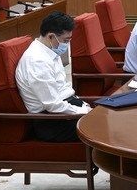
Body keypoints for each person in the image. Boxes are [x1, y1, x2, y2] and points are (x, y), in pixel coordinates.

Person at [15, 12, 91, 142]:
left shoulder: (49, 51)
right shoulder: (38, 61)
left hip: (65, 109)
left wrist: (82, 104)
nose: (67, 45)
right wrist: (82, 111)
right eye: (65, 40)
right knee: (101, 129)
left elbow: (62, 87)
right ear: (51, 36)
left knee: (106, 118)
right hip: (51, 121)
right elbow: (52, 105)